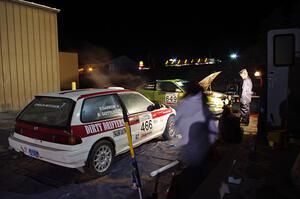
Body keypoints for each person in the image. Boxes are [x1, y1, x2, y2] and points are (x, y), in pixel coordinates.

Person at [166, 81, 218, 199]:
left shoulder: (183, 104)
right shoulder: (203, 107)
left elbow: (177, 125)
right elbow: (213, 130)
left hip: (187, 152)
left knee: (189, 179)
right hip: (200, 152)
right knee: (198, 179)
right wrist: (211, 143)